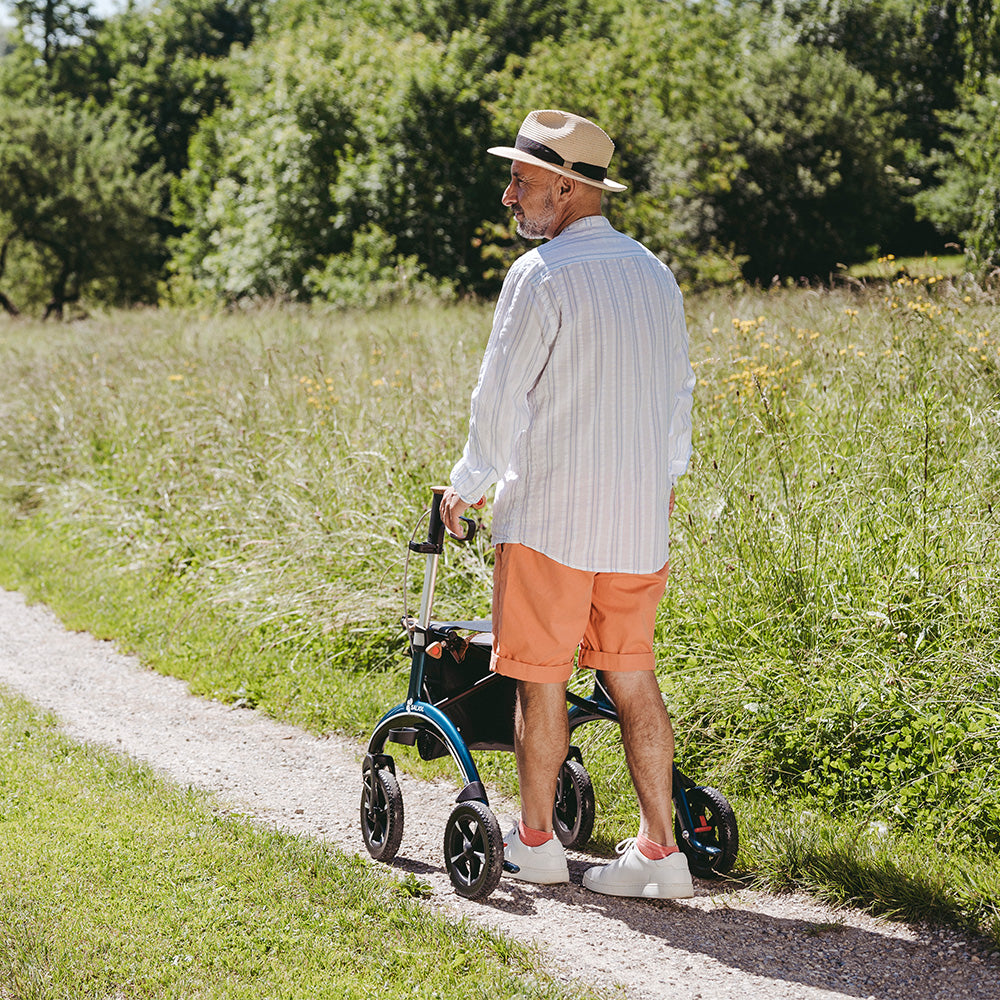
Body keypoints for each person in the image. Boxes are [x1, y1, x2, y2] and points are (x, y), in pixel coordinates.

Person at [441, 109, 696, 899]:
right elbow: (677, 392)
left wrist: (469, 482)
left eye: (520, 179)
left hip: (550, 516)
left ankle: (539, 844)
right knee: (634, 678)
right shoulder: (654, 273)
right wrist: (668, 477)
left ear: (565, 186)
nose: (509, 195)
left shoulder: (541, 275)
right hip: (634, 520)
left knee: (540, 679)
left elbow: (502, 395)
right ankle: (664, 854)